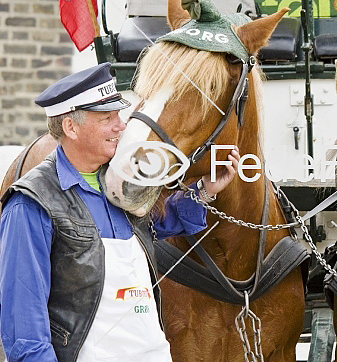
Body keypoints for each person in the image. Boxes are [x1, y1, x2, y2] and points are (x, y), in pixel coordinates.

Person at [0, 63, 239, 362]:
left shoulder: (118, 183)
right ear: (70, 127)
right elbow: (23, 328)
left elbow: (155, 226)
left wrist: (205, 190)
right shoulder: (30, 203)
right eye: (107, 118)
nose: (121, 126)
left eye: (119, 115)